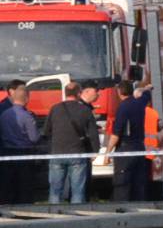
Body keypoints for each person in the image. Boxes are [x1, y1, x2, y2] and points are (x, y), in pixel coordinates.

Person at [44, 80, 100, 206]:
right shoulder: (85, 110)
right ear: (79, 93)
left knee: (54, 191)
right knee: (77, 191)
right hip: (77, 154)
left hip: (57, 154)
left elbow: (47, 131)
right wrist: (95, 152)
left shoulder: (55, 109)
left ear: (65, 93)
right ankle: (76, 219)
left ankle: (53, 218)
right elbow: (93, 134)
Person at [110, 74, 154, 203]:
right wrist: (147, 88)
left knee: (122, 184)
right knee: (138, 184)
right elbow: (146, 94)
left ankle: (121, 211)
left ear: (119, 92)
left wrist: (107, 152)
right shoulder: (140, 103)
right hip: (139, 149)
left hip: (125, 150)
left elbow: (116, 134)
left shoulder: (123, 108)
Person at [0, 79, 43, 205]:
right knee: (24, 185)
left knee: (9, 184)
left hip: (7, 152)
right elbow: (34, 137)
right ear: (26, 99)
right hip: (24, 153)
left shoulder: (4, 114)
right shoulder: (26, 116)